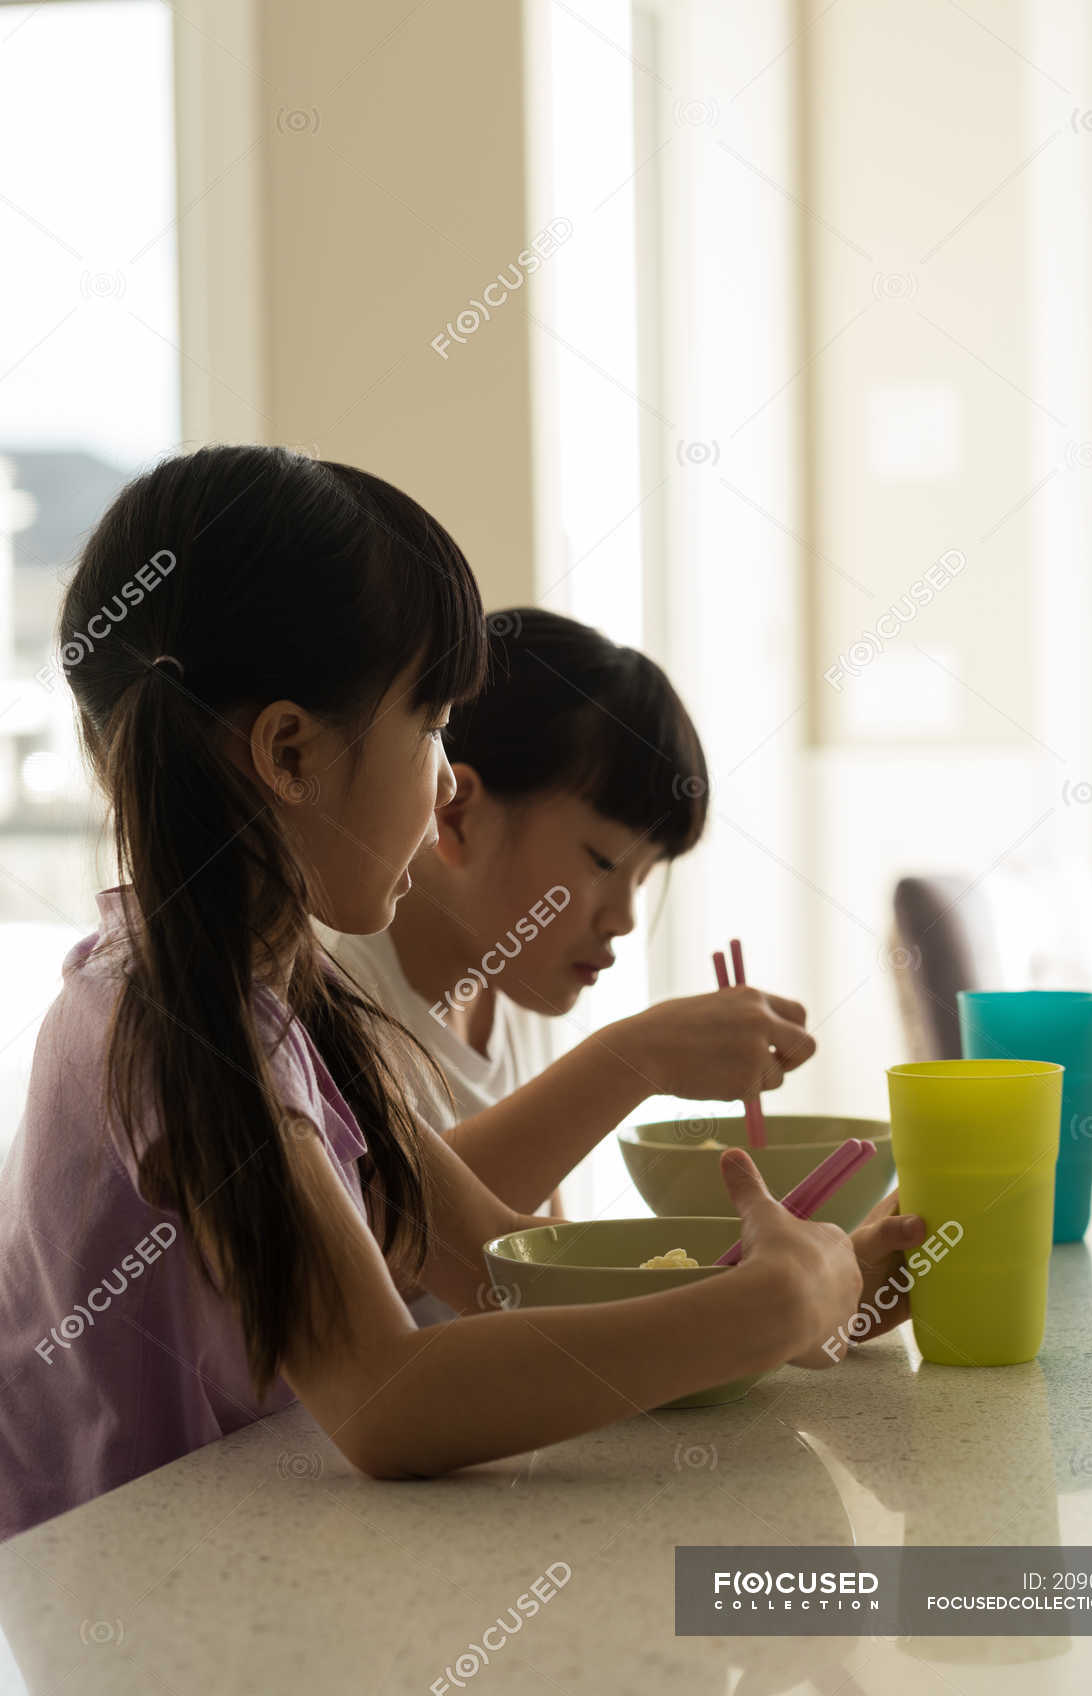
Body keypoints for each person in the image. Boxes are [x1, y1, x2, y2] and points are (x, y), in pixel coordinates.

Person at [0, 444, 924, 1540]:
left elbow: (502, 1267)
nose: (445, 778)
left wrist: (781, 1294)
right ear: (289, 752)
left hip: (236, 1561)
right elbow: (388, 1400)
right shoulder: (174, 1024)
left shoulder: (285, 1000)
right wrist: (765, 1307)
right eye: (432, 722)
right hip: (118, 1601)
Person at [325, 609, 829, 1324]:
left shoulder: (511, 999)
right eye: (601, 863)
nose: (623, 917)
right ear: (458, 815)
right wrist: (633, 1059)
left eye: (646, 877)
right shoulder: (328, 987)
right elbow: (372, 1249)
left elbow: (534, 1282)